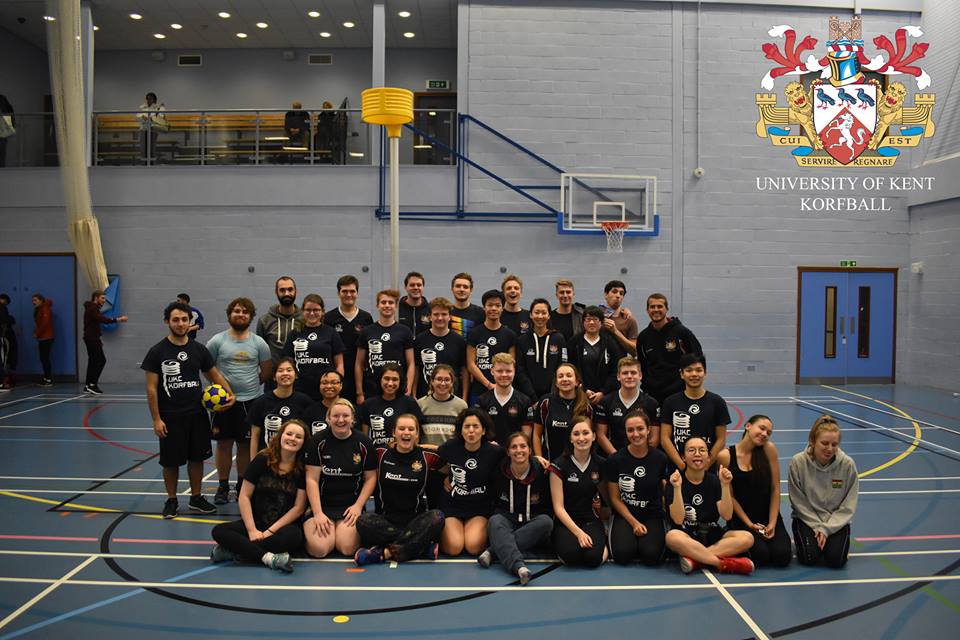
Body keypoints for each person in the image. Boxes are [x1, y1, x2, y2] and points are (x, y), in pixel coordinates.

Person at [142, 301, 234, 518]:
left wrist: (230, 394)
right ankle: (171, 500)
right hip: (170, 416)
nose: (181, 323)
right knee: (171, 461)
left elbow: (215, 375)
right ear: (167, 322)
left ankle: (196, 497)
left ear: (189, 322)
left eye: (184, 319)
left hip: (197, 414)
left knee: (197, 458)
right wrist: (156, 419)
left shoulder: (198, 349)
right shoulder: (157, 351)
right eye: (176, 319)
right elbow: (151, 388)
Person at [210, 419, 307, 573]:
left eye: (298, 436)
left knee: (294, 537)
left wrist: (270, 532)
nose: (292, 438)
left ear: (303, 442)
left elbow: (298, 508)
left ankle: (235, 551)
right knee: (218, 531)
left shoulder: (302, 468)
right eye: (289, 434)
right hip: (256, 523)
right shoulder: (262, 459)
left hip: (281, 527)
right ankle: (269, 558)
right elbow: (244, 496)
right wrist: (252, 530)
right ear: (280, 435)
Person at [206, 297, 273, 505]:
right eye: (236, 311)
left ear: (250, 317)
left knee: (244, 446)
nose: (240, 314)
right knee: (224, 445)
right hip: (224, 404)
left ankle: (242, 484)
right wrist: (222, 390)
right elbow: (209, 368)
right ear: (229, 315)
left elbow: (267, 371)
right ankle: (223, 486)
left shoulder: (258, 343)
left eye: (245, 312)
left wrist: (250, 386)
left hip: (251, 402)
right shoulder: (217, 341)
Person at [354, 414, 446, 565]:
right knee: (363, 521)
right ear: (394, 432)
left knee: (437, 517)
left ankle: (384, 553)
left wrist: (448, 478)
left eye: (411, 429)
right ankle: (420, 547)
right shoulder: (380, 454)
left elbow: (451, 466)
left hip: (415, 521)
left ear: (417, 434)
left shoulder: (427, 457)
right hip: (385, 520)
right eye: (401, 428)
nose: (406, 432)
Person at [665, 437, 755, 575]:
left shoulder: (714, 481)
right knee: (672, 537)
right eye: (691, 450)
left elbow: (727, 515)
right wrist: (677, 488)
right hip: (687, 535)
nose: (697, 453)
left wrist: (725, 485)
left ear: (708, 457)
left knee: (747, 538)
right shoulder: (675, 481)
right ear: (683, 457)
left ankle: (696, 560)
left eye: (702, 450)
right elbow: (678, 519)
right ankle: (721, 563)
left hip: (712, 534)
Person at [302, 399, 378, 558]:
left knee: (347, 548)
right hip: (322, 505)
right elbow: (312, 480)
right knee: (320, 550)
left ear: (353, 419)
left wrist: (358, 506)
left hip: (350, 506)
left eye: (345, 416)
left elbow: (371, 478)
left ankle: (339, 532)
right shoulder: (317, 441)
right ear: (328, 419)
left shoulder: (364, 443)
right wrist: (317, 513)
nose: (341, 420)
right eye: (336, 416)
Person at [477, 431, 552, 585]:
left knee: (546, 522)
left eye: (523, 446)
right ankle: (519, 567)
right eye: (514, 447)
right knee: (495, 521)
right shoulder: (499, 469)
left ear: (530, 450)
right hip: (506, 518)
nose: (519, 450)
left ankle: (493, 551)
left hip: (531, 520)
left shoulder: (542, 471)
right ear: (508, 451)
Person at [717, 414, 792, 568]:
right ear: (748, 426)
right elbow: (730, 497)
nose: (765, 434)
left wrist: (772, 522)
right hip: (743, 519)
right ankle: (729, 534)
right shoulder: (726, 456)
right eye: (762, 428)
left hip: (767, 516)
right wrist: (749, 524)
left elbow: (775, 488)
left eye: (769, 432)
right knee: (761, 557)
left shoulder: (769, 450)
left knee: (782, 556)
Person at [789, 415, 859, 568]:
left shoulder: (847, 465)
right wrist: (817, 527)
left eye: (835, 444)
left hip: (834, 521)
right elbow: (798, 502)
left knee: (836, 561)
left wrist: (827, 529)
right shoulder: (798, 462)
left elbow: (848, 505)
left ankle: (829, 542)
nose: (830, 449)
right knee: (809, 558)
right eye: (824, 443)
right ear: (813, 441)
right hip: (807, 519)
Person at [436, 408, 504, 555]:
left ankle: (469, 530)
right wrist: (445, 477)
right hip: (452, 504)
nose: (471, 431)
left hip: (479, 507)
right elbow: (433, 459)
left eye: (476, 426)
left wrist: (537, 458)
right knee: (454, 548)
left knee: (473, 547)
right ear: (461, 430)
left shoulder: (495, 452)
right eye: (467, 426)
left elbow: (518, 456)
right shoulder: (449, 447)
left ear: (484, 430)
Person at [604, 410, 668, 565]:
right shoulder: (615, 460)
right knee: (622, 555)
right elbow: (614, 498)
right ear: (626, 433)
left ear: (648, 430)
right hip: (625, 515)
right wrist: (634, 523)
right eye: (630, 430)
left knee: (652, 556)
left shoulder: (660, 459)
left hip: (652, 514)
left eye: (640, 428)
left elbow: (665, 492)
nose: (636, 434)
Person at [549, 416, 607, 567]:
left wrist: (601, 508)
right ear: (570, 438)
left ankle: (603, 546)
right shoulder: (559, 465)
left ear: (593, 436)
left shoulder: (601, 464)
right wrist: (578, 533)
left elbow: (607, 501)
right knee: (572, 557)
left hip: (591, 520)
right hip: (566, 522)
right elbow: (558, 507)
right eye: (576, 434)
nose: (581, 438)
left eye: (586, 433)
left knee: (593, 559)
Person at [660, 353, 730, 471]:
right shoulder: (670, 402)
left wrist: (706, 464)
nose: (694, 374)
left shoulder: (717, 402)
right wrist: (682, 466)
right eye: (689, 370)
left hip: (707, 471)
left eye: (698, 370)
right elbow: (665, 439)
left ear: (705, 373)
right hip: (678, 470)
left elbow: (721, 439)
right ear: (682, 374)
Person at [637, 293, 703, 406]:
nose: (656, 310)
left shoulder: (682, 332)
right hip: (654, 396)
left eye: (660, 306)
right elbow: (642, 365)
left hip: (679, 394)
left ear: (666, 309)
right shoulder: (643, 337)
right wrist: (647, 386)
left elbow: (698, 359)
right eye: (652, 307)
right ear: (647, 310)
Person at [355, 289, 415, 403]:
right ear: (377, 305)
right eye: (383, 302)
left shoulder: (405, 331)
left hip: (397, 388)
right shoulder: (367, 331)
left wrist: (409, 388)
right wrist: (359, 392)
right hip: (372, 388)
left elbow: (411, 363)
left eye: (391, 303)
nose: (387, 305)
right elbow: (358, 364)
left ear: (396, 306)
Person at [281, 293, 344, 401]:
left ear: (323, 311)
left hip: (326, 387)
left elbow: (340, 364)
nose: (312, 313)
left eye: (316, 310)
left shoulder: (331, 332)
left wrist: (336, 384)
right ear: (302, 311)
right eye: (308, 310)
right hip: (300, 387)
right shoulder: (294, 334)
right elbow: (287, 362)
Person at [324, 275, 373, 405]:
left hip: (360, 376)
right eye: (344, 291)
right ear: (338, 293)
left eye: (352, 291)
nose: (348, 294)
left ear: (357, 293)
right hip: (336, 374)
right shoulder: (329, 318)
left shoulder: (366, 318)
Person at [248, 357, 313, 456]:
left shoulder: (305, 402)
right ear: (274, 377)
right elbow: (255, 436)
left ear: (295, 375)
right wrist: (253, 463)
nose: (285, 373)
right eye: (280, 370)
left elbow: (309, 435)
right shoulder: (261, 402)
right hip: (268, 458)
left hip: (295, 459)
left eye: (289, 370)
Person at [595, 356, 660, 455]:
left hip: (643, 458)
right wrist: (617, 458)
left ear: (640, 376)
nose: (629, 376)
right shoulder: (606, 402)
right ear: (618, 376)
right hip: (614, 458)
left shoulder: (651, 403)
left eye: (633, 373)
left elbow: (654, 438)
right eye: (625, 373)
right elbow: (601, 435)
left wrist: (642, 457)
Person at [466, 289, 517, 402]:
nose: (493, 308)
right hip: (479, 391)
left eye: (497, 305)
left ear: (502, 308)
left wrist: (499, 386)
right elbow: (471, 364)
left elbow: (512, 365)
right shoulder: (474, 333)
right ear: (484, 307)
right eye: (490, 305)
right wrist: (489, 385)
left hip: (503, 392)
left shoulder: (510, 335)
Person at [533, 363, 592, 460]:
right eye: (560, 376)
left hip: (578, 464)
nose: (565, 379)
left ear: (577, 381)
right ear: (556, 382)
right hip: (549, 462)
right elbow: (536, 434)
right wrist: (539, 458)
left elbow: (592, 437)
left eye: (569, 376)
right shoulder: (545, 402)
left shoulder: (587, 406)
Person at [474, 353, 535, 445]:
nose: (504, 375)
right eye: (499, 371)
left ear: (514, 371)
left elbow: (526, 436)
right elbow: (477, 429)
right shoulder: (482, 400)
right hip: (489, 452)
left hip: (515, 453)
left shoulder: (525, 401)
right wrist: (486, 444)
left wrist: (515, 447)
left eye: (508, 371)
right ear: (492, 371)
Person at [567, 306, 623, 405]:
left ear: (601, 322)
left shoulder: (610, 343)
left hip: (606, 396)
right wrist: (584, 389)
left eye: (595, 319)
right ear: (583, 322)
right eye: (588, 319)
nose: (591, 322)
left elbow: (616, 371)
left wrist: (603, 392)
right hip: (580, 394)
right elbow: (570, 369)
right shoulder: (574, 343)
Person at [413, 297, 468, 398]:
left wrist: (464, 397)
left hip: (453, 397)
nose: (440, 318)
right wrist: (413, 394)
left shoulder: (459, 341)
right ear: (430, 317)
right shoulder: (420, 340)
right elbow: (416, 369)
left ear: (450, 317)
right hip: (424, 396)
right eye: (436, 314)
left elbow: (464, 371)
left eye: (444, 314)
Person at [358, 363, 423, 448]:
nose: (390, 383)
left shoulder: (409, 403)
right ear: (380, 379)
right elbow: (364, 437)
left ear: (401, 382)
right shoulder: (368, 404)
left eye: (395, 379)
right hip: (376, 454)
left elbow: (417, 433)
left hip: (402, 454)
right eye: (386, 379)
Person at [516, 298, 567, 401]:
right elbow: (520, 371)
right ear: (530, 315)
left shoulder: (558, 338)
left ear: (548, 316)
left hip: (554, 396)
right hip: (528, 398)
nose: (540, 316)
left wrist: (552, 395)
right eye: (536, 312)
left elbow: (562, 367)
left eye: (544, 313)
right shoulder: (522, 340)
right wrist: (532, 397)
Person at [256, 277, 303, 386]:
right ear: (276, 292)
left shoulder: (304, 320)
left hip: (300, 379)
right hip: (273, 380)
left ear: (296, 291)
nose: (287, 293)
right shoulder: (265, 321)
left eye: (290, 289)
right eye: (282, 290)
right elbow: (260, 352)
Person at [83, 289, 128, 394]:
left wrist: (98, 338)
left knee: (93, 361)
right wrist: (118, 319)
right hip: (91, 338)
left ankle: (88, 385)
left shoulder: (92, 308)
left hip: (92, 338)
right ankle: (92, 384)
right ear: (96, 298)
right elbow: (101, 319)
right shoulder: (93, 308)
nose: (104, 300)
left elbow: (95, 323)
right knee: (100, 360)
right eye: (102, 298)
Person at [418, 364, 468, 447]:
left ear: (452, 382)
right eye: (439, 379)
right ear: (432, 381)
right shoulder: (421, 404)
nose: (443, 383)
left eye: (447, 380)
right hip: (426, 454)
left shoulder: (461, 406)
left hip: (451, 455)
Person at [599, 280, 638, 355]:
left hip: (619, 364)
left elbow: (634, 351)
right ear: (606, 294)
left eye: (621, 293)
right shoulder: (596, 317)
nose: (618, 295)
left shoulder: (629, 319)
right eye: (614, 292)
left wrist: (615, 331)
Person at [303, 370, 346, 436]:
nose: (328, 386)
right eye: (324, 383)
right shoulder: (310, 412)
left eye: (333, 383)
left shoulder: (349, 410)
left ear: (341, 385)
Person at [449, 272, 484, 338]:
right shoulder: (446, 312)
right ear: (452, 289)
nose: (461, 289)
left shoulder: (481, 313)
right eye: (458, 286)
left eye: (465, 287)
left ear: (471, 290)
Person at [138, 92, 167, 165]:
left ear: (154, 100)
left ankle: (152, 164)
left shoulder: (158, 107)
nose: (148, 100)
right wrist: (146, 118)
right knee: (143, 148)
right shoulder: (142, 107)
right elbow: (138, 117)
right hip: (143, 129)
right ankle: (144, 164)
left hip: (153, 129)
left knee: (152, 147)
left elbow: (160, 117)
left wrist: (150, 118)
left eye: (150, 99)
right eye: (147, 99)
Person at [398, 271, 431, 336]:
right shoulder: (397, 309)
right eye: (412, 285)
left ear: (423, 287)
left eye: (419, 285)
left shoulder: (430, 310)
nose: (416, 287)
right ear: (405, 287)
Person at [32, 294, 54, 386]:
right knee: (43, 358)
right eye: (33, 300)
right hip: (43, 337)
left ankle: (48, 379)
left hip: (46, 337)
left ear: (41, 300)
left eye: (35, 300)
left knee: (45, 358)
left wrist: (37, 333)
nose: (34, 302)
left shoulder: (45, 309)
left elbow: (45, 323)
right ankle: (46, 377)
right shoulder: (39, 309)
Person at [0, 294, 17, 390]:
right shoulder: (2, 307)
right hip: (2, 336)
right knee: (2, 358)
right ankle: (1, 382)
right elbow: (4, 320)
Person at [0, 95, 14, 168]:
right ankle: (2, 167)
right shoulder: (7, 107)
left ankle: (2, 167)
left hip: (3, 131)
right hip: (4, 131)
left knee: (2, 150)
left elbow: (11, 116)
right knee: (2, 150)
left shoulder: (6, 107)